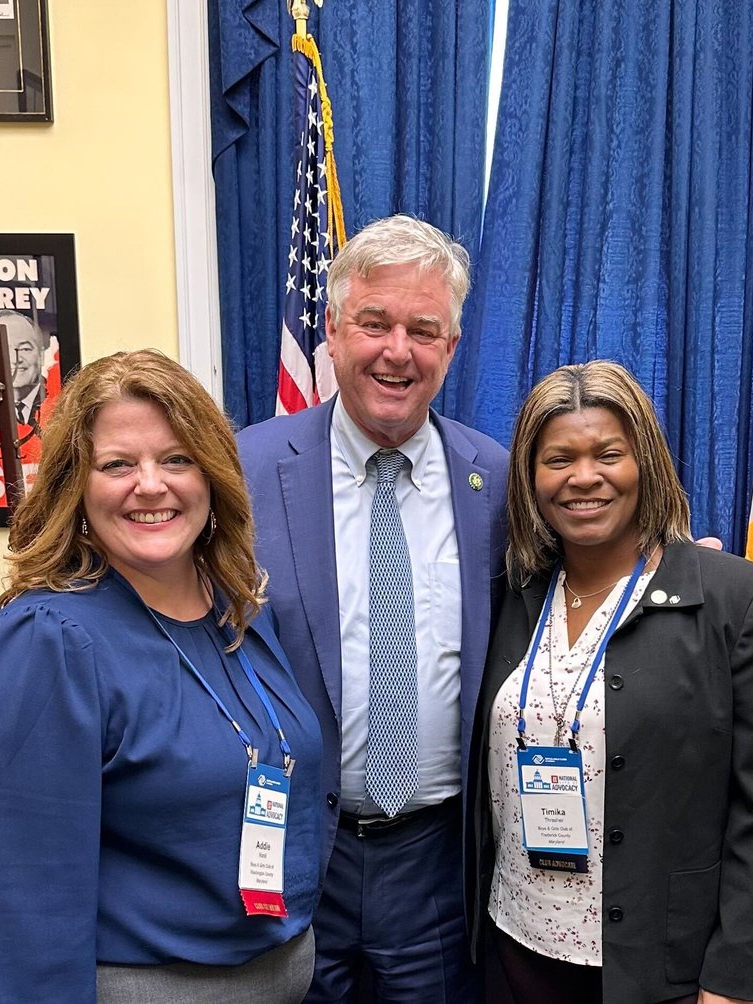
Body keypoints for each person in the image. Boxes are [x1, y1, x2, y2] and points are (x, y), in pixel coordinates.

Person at [0, 350, 323, 1003]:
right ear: (74, 487)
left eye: (176, 458)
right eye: (117, 464)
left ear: (213, 476)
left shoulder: (238, 609)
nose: (151, 485)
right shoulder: (47, 647)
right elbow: (17, 923)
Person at [237, 215, 508, 1002]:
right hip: (288, 850)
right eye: (375, 323)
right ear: (331, 332)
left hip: (434, 860)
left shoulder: (493, 479)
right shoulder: (246, 469)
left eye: (424, 330)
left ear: (451, 347)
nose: (398, 351)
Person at [474, 361, 753, 1004]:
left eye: (608, 454)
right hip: (515, 946)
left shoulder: (738, 602)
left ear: (644, 462)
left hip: (658, 968)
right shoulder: (511, 595)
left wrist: (733, 980)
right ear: (530, 478)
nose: (584, 477)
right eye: (558, 459)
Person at [0, 309, 52, 429]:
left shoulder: (58, 402)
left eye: (25, 349)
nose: (15, 359)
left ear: (41, 355)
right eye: (4, 349)